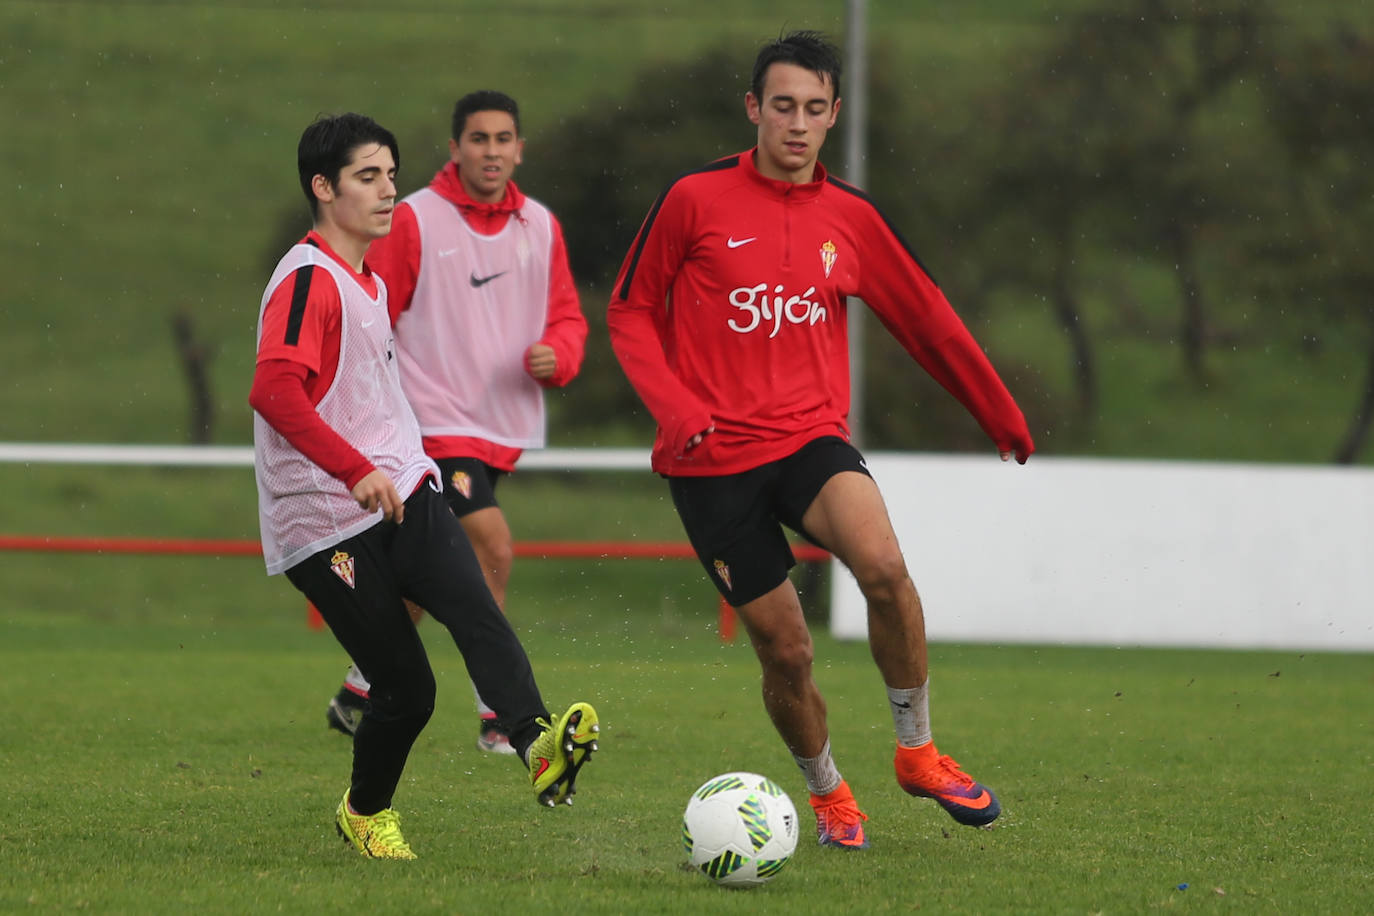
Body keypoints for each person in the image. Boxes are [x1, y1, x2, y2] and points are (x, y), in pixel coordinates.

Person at [606, 31, 1033, 850]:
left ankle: (918, 752)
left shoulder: (853, 217)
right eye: (781, 107)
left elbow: (929, 324)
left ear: (834, 114)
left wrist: (999, 413)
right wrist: (674, 403)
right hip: (709, 462)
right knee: (788, 649)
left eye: (812, 109)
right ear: (753, 110)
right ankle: (830, 792)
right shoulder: (694, 199)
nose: (796, 125)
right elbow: (629, 310)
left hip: (809, 439)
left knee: (884, 568)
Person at [250, 112, 598, 859]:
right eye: (367, 177)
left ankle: (539, 746)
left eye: (391, 175)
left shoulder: (369, 280)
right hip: (323, 522)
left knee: (474, 606)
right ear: (322, 187)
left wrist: (389, 464)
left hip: (406, 484)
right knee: (407, 694)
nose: (388, 192)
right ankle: (364, 813)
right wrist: (354, 468)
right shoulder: (311, 280)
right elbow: (275, 393)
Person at [323, 91, 588, 756]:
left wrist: (562, 356)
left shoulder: (541, 226)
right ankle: (500, 714)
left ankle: (360, 687)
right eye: (478, 139)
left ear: (519, 149)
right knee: (491, 547)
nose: (491, 151)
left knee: (424, 568)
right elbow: (370, 306)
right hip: (430, 424)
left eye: (503, 139)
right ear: (455, 148)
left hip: (499, 426)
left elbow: (568, 316)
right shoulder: (415, 219)